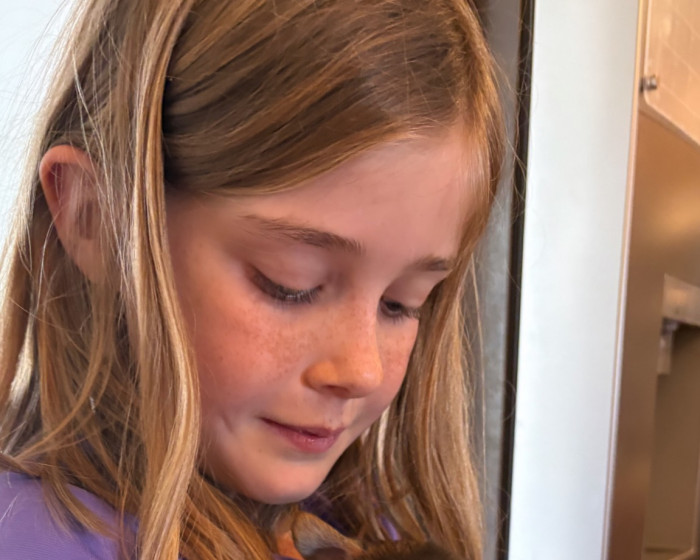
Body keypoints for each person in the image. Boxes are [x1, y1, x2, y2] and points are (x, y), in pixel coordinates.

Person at [0, 0, 504, 558]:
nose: (363, 370)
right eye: (289, 285)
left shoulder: (362, 528)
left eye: (401, 304)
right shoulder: (32, 540)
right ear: (95, 217)